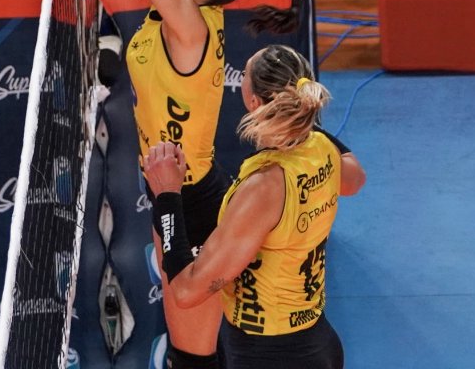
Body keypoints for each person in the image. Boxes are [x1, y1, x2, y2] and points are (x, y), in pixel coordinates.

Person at [88, 0, 307, 369]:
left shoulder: (189, 24)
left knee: (194, 354)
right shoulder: (182, 8)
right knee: (195, 352)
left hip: (190, 200)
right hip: (181, 187)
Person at [144, 44, 365, 369]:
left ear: (253, 102)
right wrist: (304, 130)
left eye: (244, 74)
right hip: (317, 343)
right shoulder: (323, 148)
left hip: (270, 356)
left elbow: (187, 292)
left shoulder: (264, 188)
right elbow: (354, 179)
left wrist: (167, 195)